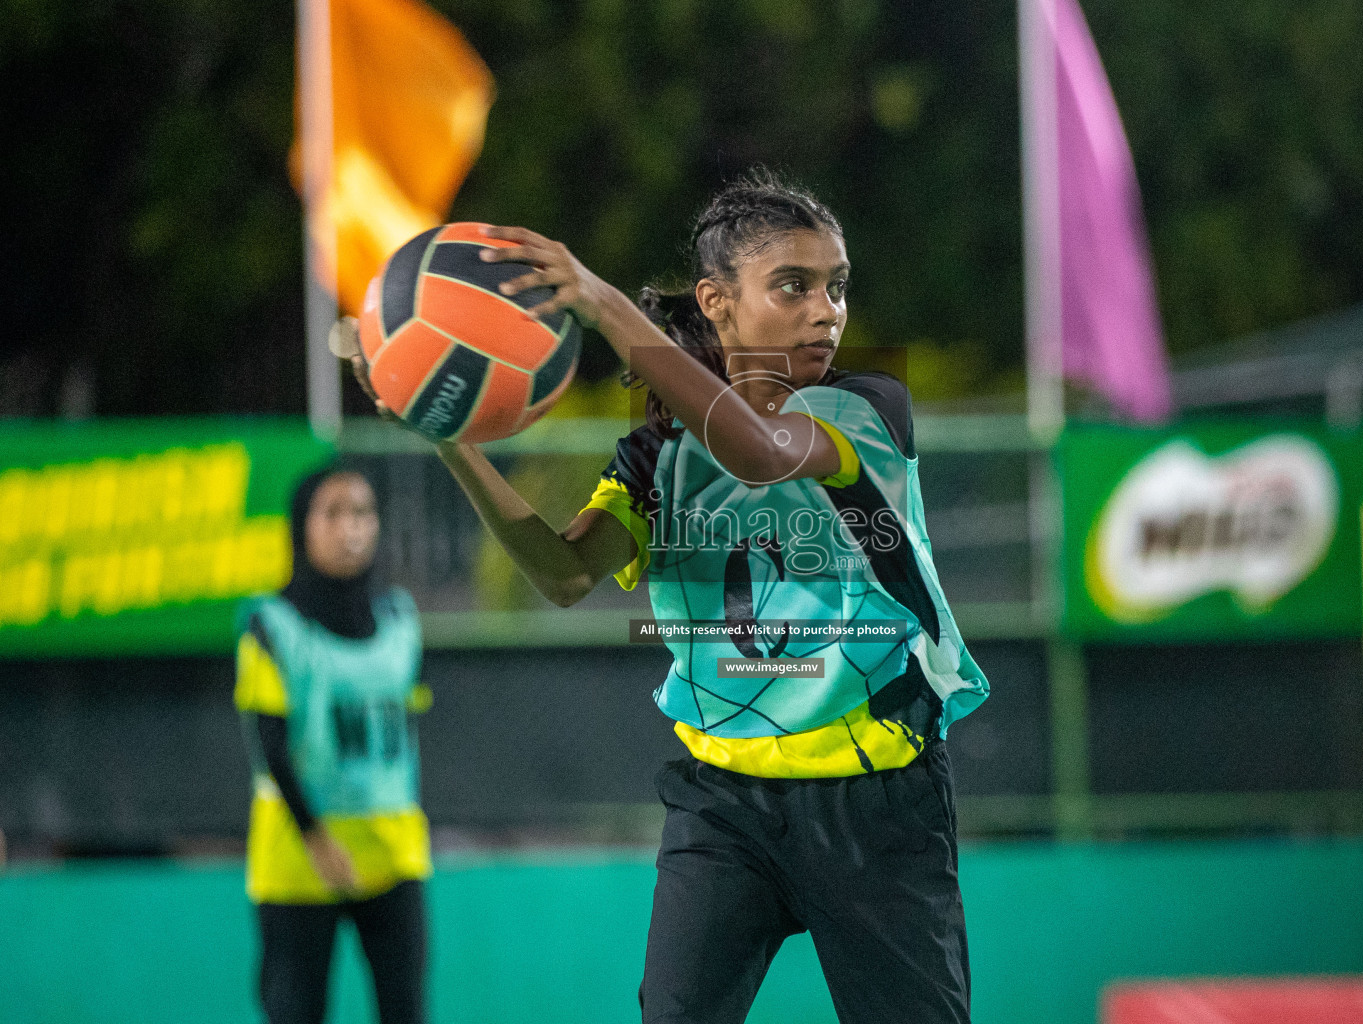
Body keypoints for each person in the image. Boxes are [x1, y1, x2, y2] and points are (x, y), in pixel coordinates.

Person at [345, 169, 989, 1024]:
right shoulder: (658, 461)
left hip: (876, 793)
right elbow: (564, 574)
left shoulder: (867, 408)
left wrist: (606, 307)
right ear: (716, 302)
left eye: (836, 286)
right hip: (725, 801)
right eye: (793, 286)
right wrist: (449, 440)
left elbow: (758, 450)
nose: (825, 310)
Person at [233, 466, 431, 1024]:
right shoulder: (271, 625)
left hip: (393, 854)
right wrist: (317, 838)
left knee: (407, 1011)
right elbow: (269, 744)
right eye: (333, 513)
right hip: (301, 859)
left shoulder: (400, 620)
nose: (351, 528)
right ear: (301, 527)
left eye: (363, 513)